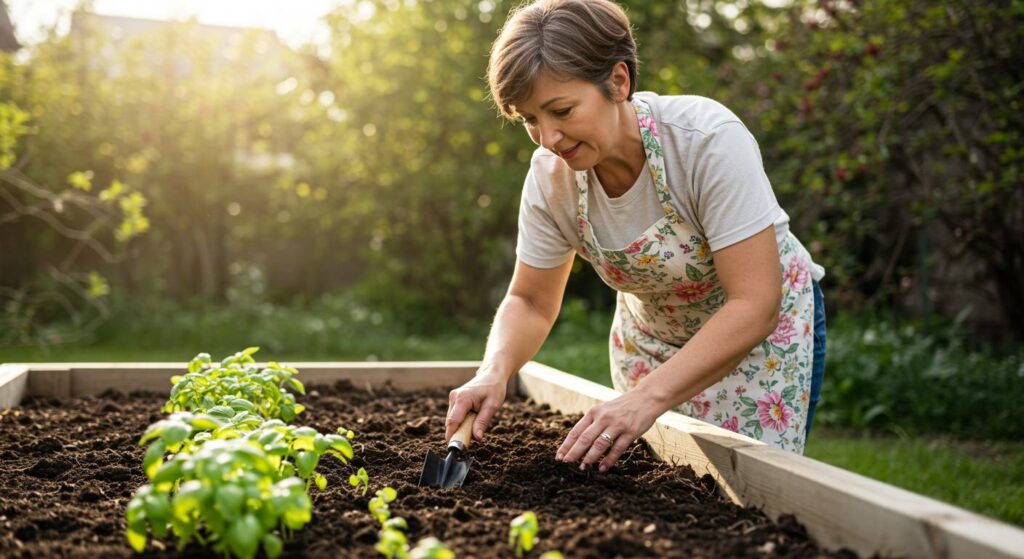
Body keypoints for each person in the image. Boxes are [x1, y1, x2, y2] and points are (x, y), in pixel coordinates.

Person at [445, 0, 827, 472]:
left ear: (619, 81)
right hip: (650, 342)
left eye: (561, 110)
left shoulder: (705, 141)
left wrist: (647, 399)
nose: (548, 138)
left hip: (756, 342)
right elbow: (530, 301)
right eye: (529, 120)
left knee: (752, 497)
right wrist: (494, 370)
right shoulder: (551, 179)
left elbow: (754, 302)